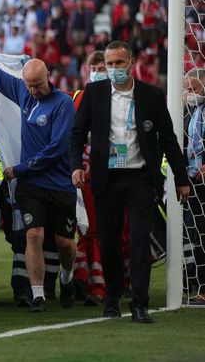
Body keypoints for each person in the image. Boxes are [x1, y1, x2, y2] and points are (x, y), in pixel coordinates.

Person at [0, 15, 77, 313]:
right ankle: (37, 294)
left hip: (59, 183)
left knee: (65, 243)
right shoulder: (24, 94)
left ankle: (67, 276)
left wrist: (20, 169)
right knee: (33, 235)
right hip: (32, 186)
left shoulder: (63, 103)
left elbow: (57, 149)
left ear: (48, 76)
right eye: (28, 85)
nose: (33, 90)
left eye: (37, 85)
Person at [70, 40, 190, 323]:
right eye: (109, 64)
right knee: (109, 242)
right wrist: (75, 166)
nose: (113, 69)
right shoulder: (94, 93)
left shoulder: (151, 96)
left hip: (140, 178)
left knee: (138, 242)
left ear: (131, 63)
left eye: (118, 64)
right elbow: (76, 135)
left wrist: (181, 179)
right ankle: (113, 297)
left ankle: (139, 303)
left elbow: (169, 139)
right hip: (106, 178)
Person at [71, 51, 108, 306]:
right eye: (93, 66)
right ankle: (88, 281)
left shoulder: (118, 97)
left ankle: (98, 283)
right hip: (81, 177)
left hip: (108, 175)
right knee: (86, 230)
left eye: (102, 66)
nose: (97, 70)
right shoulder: (76, 97)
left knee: (102, 231)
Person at [184, 68, 205, 305]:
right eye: (187, 89)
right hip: (193, 180)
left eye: (194, 89)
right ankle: (200, 286)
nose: (189, 94)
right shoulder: (189, 113)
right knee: (196, 235)